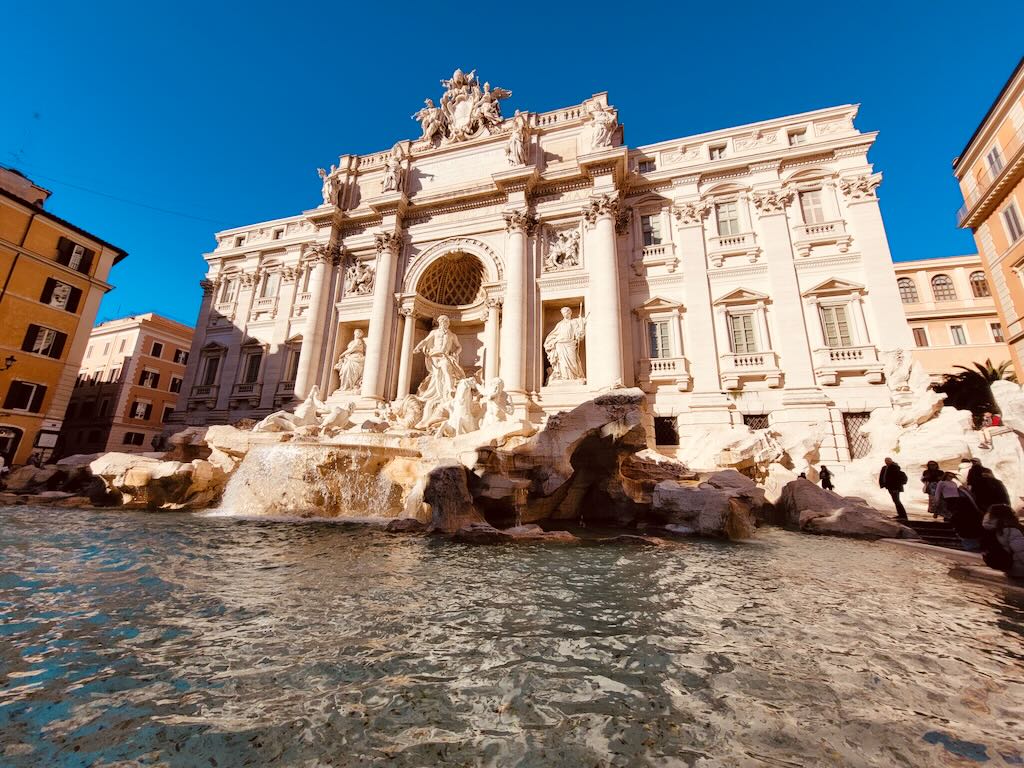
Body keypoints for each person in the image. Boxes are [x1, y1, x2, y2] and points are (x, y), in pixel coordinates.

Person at [982, 504, 1024, 579]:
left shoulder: (992, 530)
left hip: (1008, 568)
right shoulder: (1011, 531)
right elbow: (1021, 551)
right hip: (1020, 570)